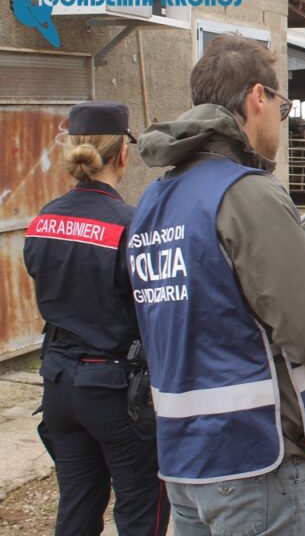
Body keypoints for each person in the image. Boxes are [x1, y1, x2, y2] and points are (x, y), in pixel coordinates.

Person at [127, 35, 305, 535]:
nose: (282, 119)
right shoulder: (247, 194)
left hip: (182, 463)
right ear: (259, 97)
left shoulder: (155, 200)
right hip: (252, 461)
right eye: (283, 106)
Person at [22, 101, 169, 536]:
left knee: (77, 508)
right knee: (141, 511)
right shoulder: (132, 224)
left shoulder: (43, 219)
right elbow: (153, 309)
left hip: (59, 389)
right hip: (115, 393)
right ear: (123, 153)